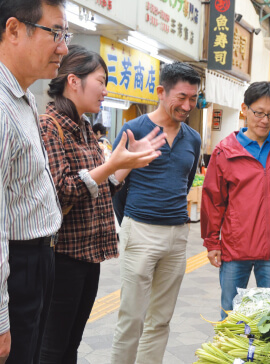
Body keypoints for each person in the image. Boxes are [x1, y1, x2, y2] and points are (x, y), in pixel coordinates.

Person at [38, 45, 165, 364]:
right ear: (73, 81)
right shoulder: (49, 127)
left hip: (87, 254)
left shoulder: (82, 128)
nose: (105, 89)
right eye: (101, 80)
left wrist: (127, 164)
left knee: (72, 342)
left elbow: (98, 187)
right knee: (52, 347)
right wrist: (110, 166)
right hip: (61, 256)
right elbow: (61, 193)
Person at [110, 62, 201, 364]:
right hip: (140, 230)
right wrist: (131, 223)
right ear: (161, 92)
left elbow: (185, 184)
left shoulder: (193, 138)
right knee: (131, 319)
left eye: (193, 98)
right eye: (181, 97)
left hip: (177, 236)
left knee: (160, 320)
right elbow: (116, 183)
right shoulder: (133, 130)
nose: (187, 105)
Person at [201, 81, 270, 319]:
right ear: (244, 108)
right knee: (231, 315)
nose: (264, 120)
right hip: (235, 248)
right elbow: (213, 200)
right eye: (258, 113)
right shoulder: (225, 151)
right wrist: (212, 242)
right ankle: (231, 356)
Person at [0, 1, 69, 362]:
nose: (63, 46)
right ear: (13, 30)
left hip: (37, 258)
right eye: (55, 33)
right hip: (17, 264)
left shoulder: (23, 96)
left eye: (65, 34)